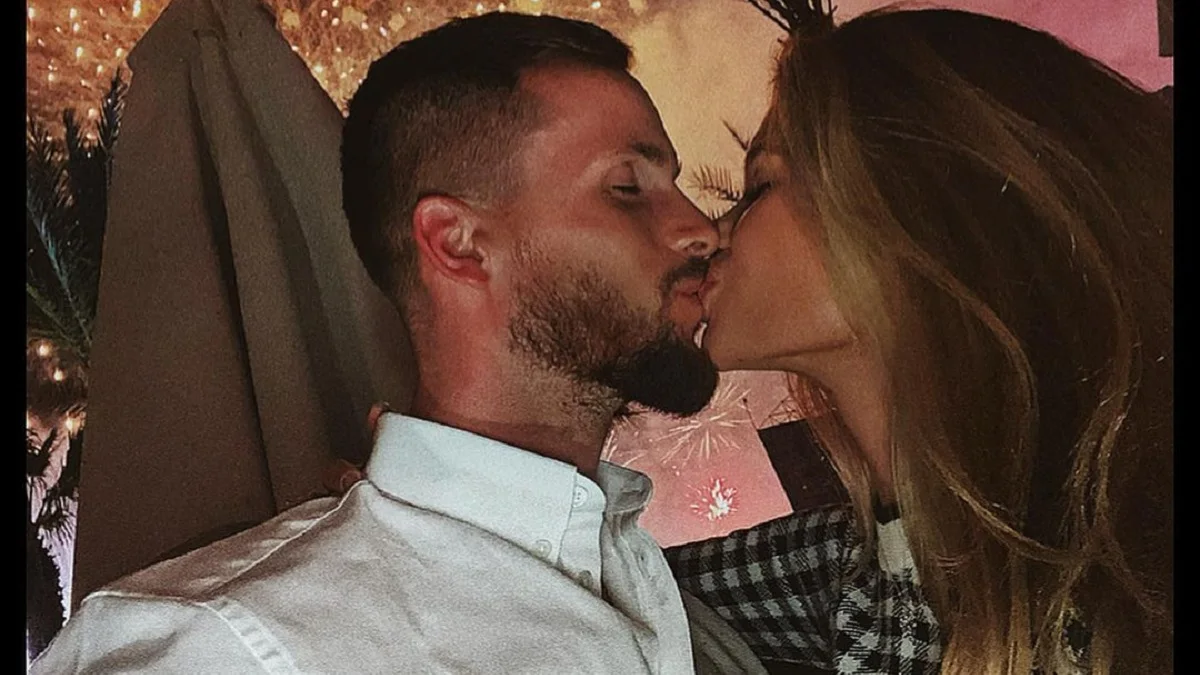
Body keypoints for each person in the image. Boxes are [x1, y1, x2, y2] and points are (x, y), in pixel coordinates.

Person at [31, 12, 767, 673]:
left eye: (671, 183)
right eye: (627, 186)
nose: (698, 228)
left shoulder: (634, 567)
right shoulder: (222, 648)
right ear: (458, 243)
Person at [667, 4, 1172, 675]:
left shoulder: (1129, 596)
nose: (710, 233)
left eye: (759, 186)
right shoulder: (847, 569)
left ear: (912, 213)